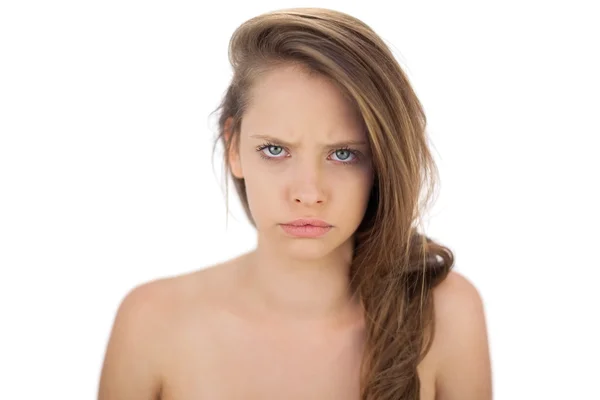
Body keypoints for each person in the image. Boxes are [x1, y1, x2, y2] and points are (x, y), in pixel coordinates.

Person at [98, 7, 492, 400]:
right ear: (233, 146)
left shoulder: (446, 316)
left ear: (381, 160)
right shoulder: (152, 323)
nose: (308, 192)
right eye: (275, 150)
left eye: (343, 154)